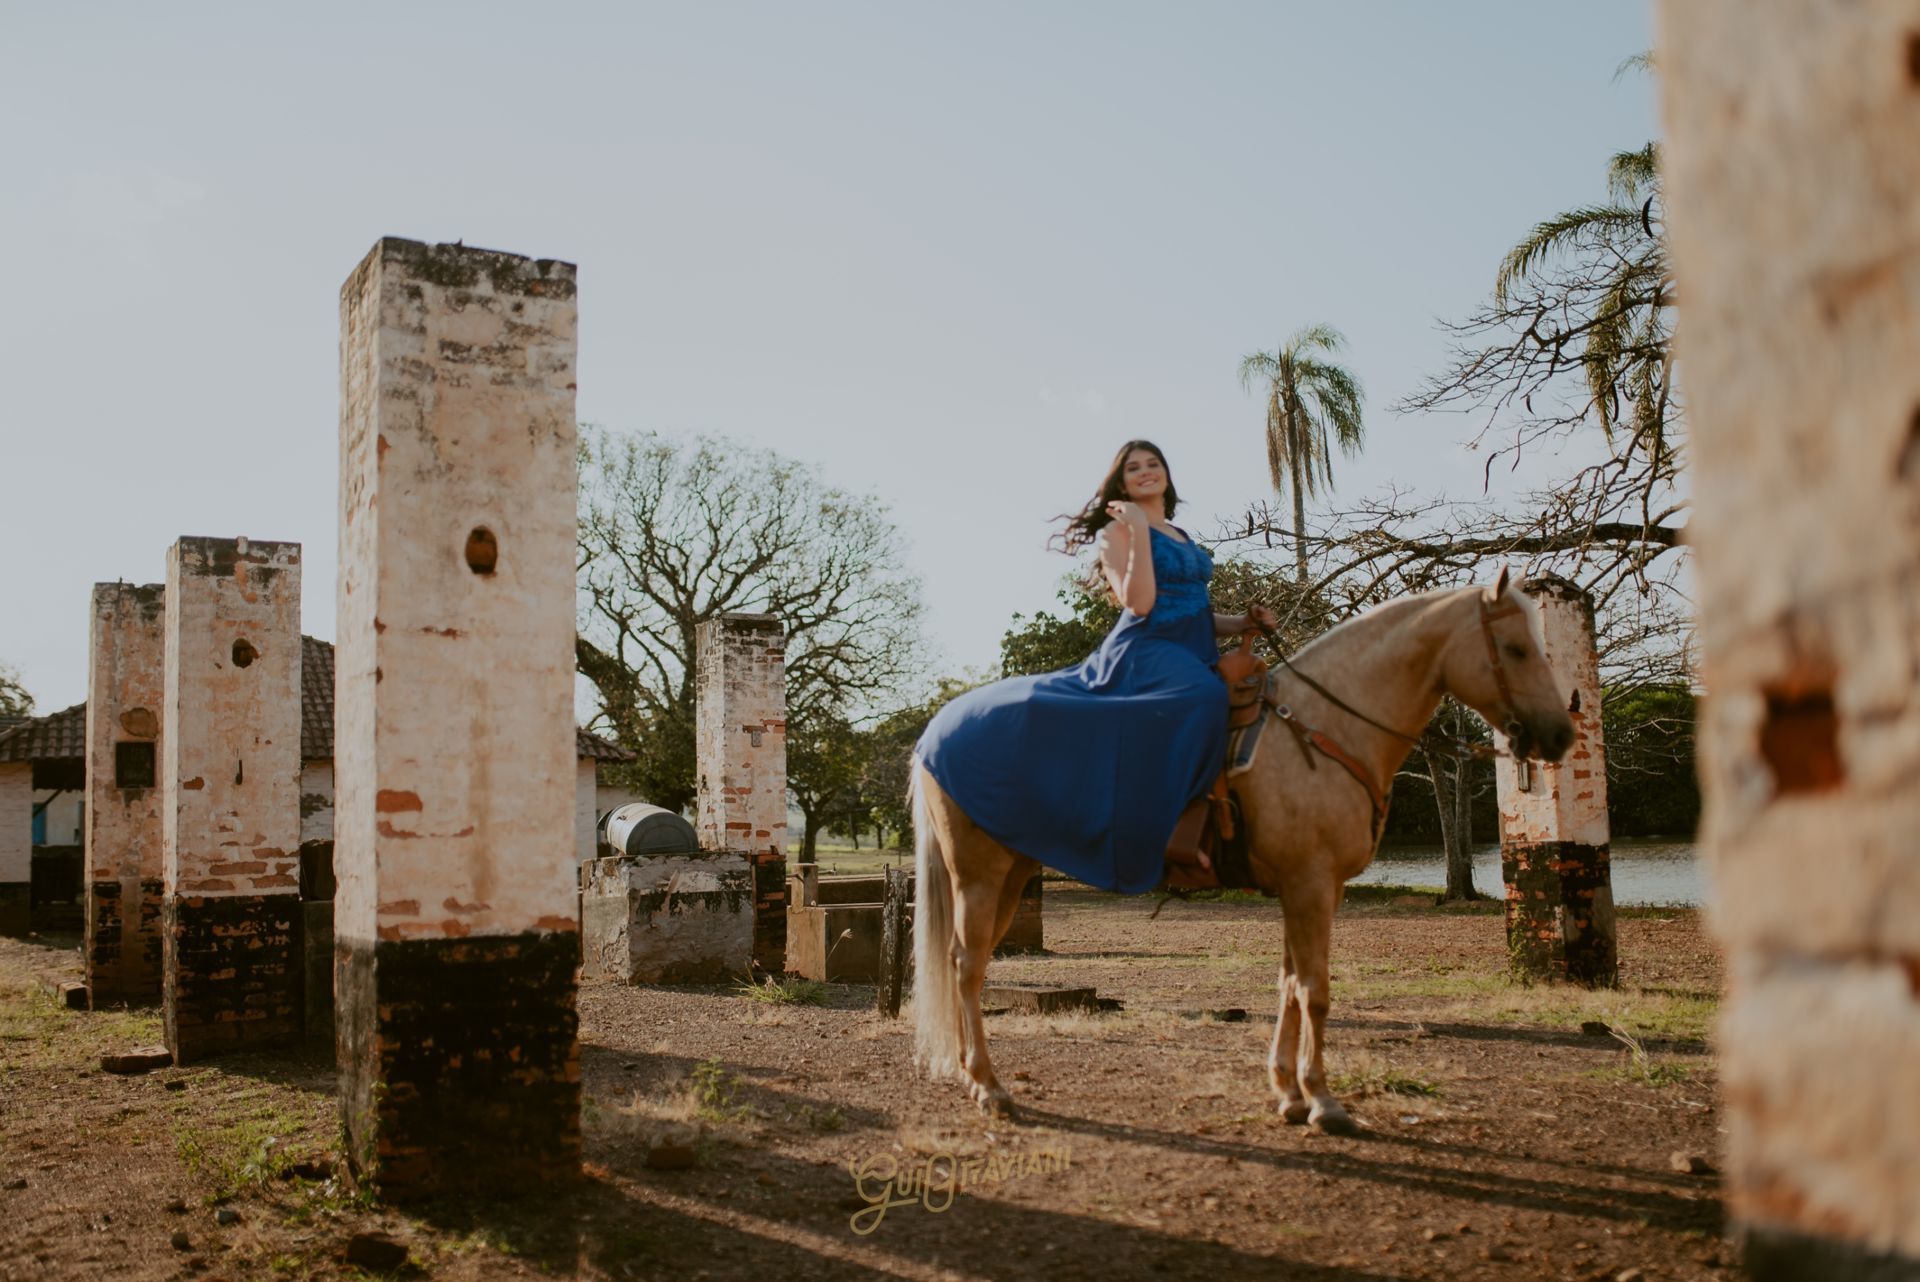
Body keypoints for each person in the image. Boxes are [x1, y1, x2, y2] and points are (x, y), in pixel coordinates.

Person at [916, 440, 1277, 894]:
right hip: (1146, 651)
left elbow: (1193, 609)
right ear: (1120, 482)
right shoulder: (1116, 534)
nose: (1146, 471)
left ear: (1166, 473)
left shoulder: (1182, 536)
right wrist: (1139, 531)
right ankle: (1175, 838)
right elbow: (1141, 603)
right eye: (1133, 467)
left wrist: (1242, 622)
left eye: (1153, 463)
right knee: (1202, 697)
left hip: (1191, 648)